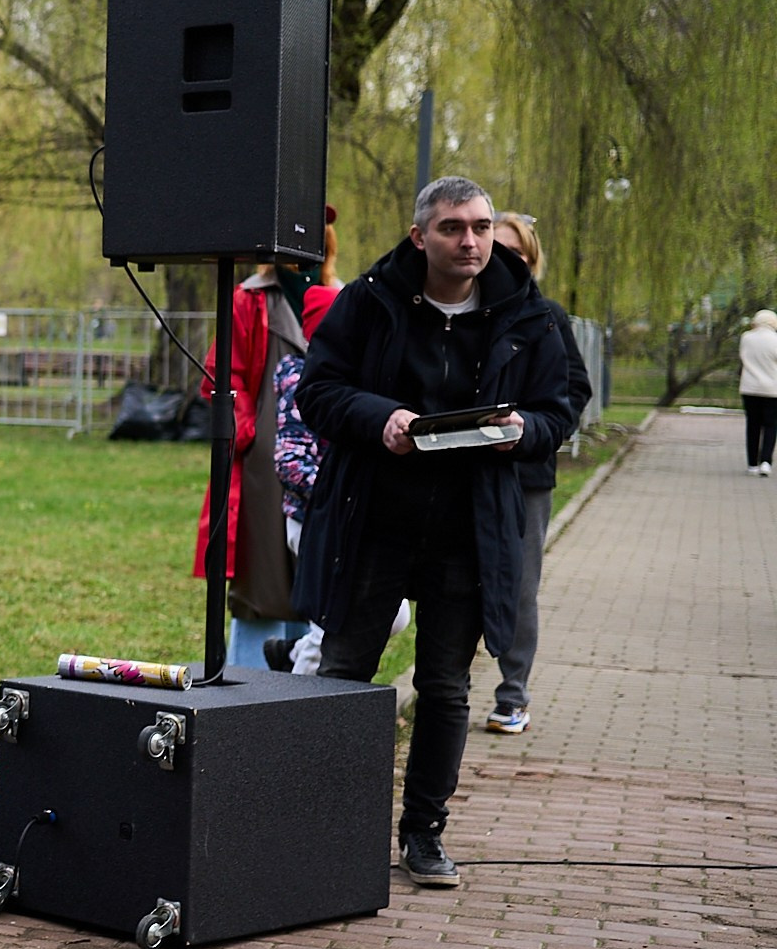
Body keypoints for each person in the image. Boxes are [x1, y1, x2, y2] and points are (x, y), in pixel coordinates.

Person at [295, 176, 577, 890]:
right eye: (453, 227)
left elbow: (562, 405)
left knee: (447, 688)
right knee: (343, 676)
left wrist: (525, 432)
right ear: (420, 235)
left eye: (481, 226)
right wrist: (379, 416)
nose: (471, 241)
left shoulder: (533, 317)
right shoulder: (369, 299)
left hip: (468, 533)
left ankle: (423, 834)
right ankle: (326, 829)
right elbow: (317, 391)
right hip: (376, 524)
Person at [483, 213, 592, 734]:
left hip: (526, 476)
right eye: (494, 249)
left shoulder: (547, 316)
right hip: (464, 472)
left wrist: (535, 429)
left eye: (515, 254)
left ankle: (512, 694)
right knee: (457, 581)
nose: (502, 262)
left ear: (531, 261)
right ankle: (448, 684)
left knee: (520, 586)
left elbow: (574, 389)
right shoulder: (463, 313)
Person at [196, 257, 316, 672]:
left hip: (322, 463)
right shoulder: (250, 300)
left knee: (314, 577)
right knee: (261, 580)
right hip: (264, 471)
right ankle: (248, 688)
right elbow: (223, 376)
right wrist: (252, 434)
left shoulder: (338, 296)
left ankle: (308, 685)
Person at [742, 308, 777, 476]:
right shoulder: (775, 339)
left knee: (753, 425)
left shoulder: (746, 338)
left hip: (749, 388)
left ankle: (751, 464)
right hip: (772, 389)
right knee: (771, 425)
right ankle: (765, 461)